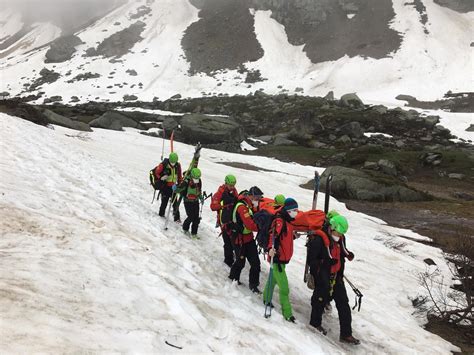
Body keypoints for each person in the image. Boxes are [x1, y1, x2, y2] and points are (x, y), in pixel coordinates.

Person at [307, 214, 360, 345]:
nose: (339, 235)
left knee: (343, 304)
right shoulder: (318, 240)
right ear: (331, 227)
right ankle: (315, 324)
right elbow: (311, 261)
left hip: (336, 276)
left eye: (341, 233)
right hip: (323, 276)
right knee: (319, 301)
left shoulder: (340, 238)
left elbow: (341, 253)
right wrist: (324, 265)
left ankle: (346, 334)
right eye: (337, 232)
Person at [263, 197, 299, 322]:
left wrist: (293, 237)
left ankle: (266, 299)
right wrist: (269, 249)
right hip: (277, 259)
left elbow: (283, 238)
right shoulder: (279, 221)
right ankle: (287, 313)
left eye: (297, 210)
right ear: (288, 210)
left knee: (272, 280)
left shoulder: (288, 221)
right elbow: (272, 236)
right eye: (294, 210)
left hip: (282, 259)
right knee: (284, 288)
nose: (296, 212)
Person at [228, 186, 262, 293]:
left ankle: (254, 285)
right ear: (250, 196)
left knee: (256, 263)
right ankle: (233, 277)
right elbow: (250, 225)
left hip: (248, 239)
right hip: (240, 240)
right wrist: (263, 228)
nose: (258, 200)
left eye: (259, 198)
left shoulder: (249, 205)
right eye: (256, 197)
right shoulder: (242, 207)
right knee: (240, 261)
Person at [210, 174, 238, 267]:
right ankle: (228, 260)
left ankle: (232, 253)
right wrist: (224, 205)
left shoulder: (234, 191)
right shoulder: (220, 193)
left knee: (233, 239)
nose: (232, 187)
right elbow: (213, 207)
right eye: (230, 185)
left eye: (233, 185)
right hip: (224, 220)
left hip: (232, 219)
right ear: (226, 183)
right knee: (227, 241)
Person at [153, 152, 182, 221]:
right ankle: (161, 214)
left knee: (175, 203)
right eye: (172, 162)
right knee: (164, 202)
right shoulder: (163, 165)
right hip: (165, 186)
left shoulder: (177, 165)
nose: (173, 163)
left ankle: (177, 218)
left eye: (174, 162)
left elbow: (179, 176)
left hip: (174, 187)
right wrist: (161, 177)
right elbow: (156, 173)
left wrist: (180, 184)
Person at [178, 168, 203, 239]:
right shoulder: (186, 181)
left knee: (196, 218)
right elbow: (180, 189)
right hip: (187, 201)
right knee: (191, 216)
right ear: (192, 176)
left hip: (195, 201)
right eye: (195, 178)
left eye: (198, 178)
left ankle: (194, 233)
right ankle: (185, 228)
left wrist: (200, 197)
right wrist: (175, 189)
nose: (197, 179)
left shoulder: (199, 181)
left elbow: (198, 191)